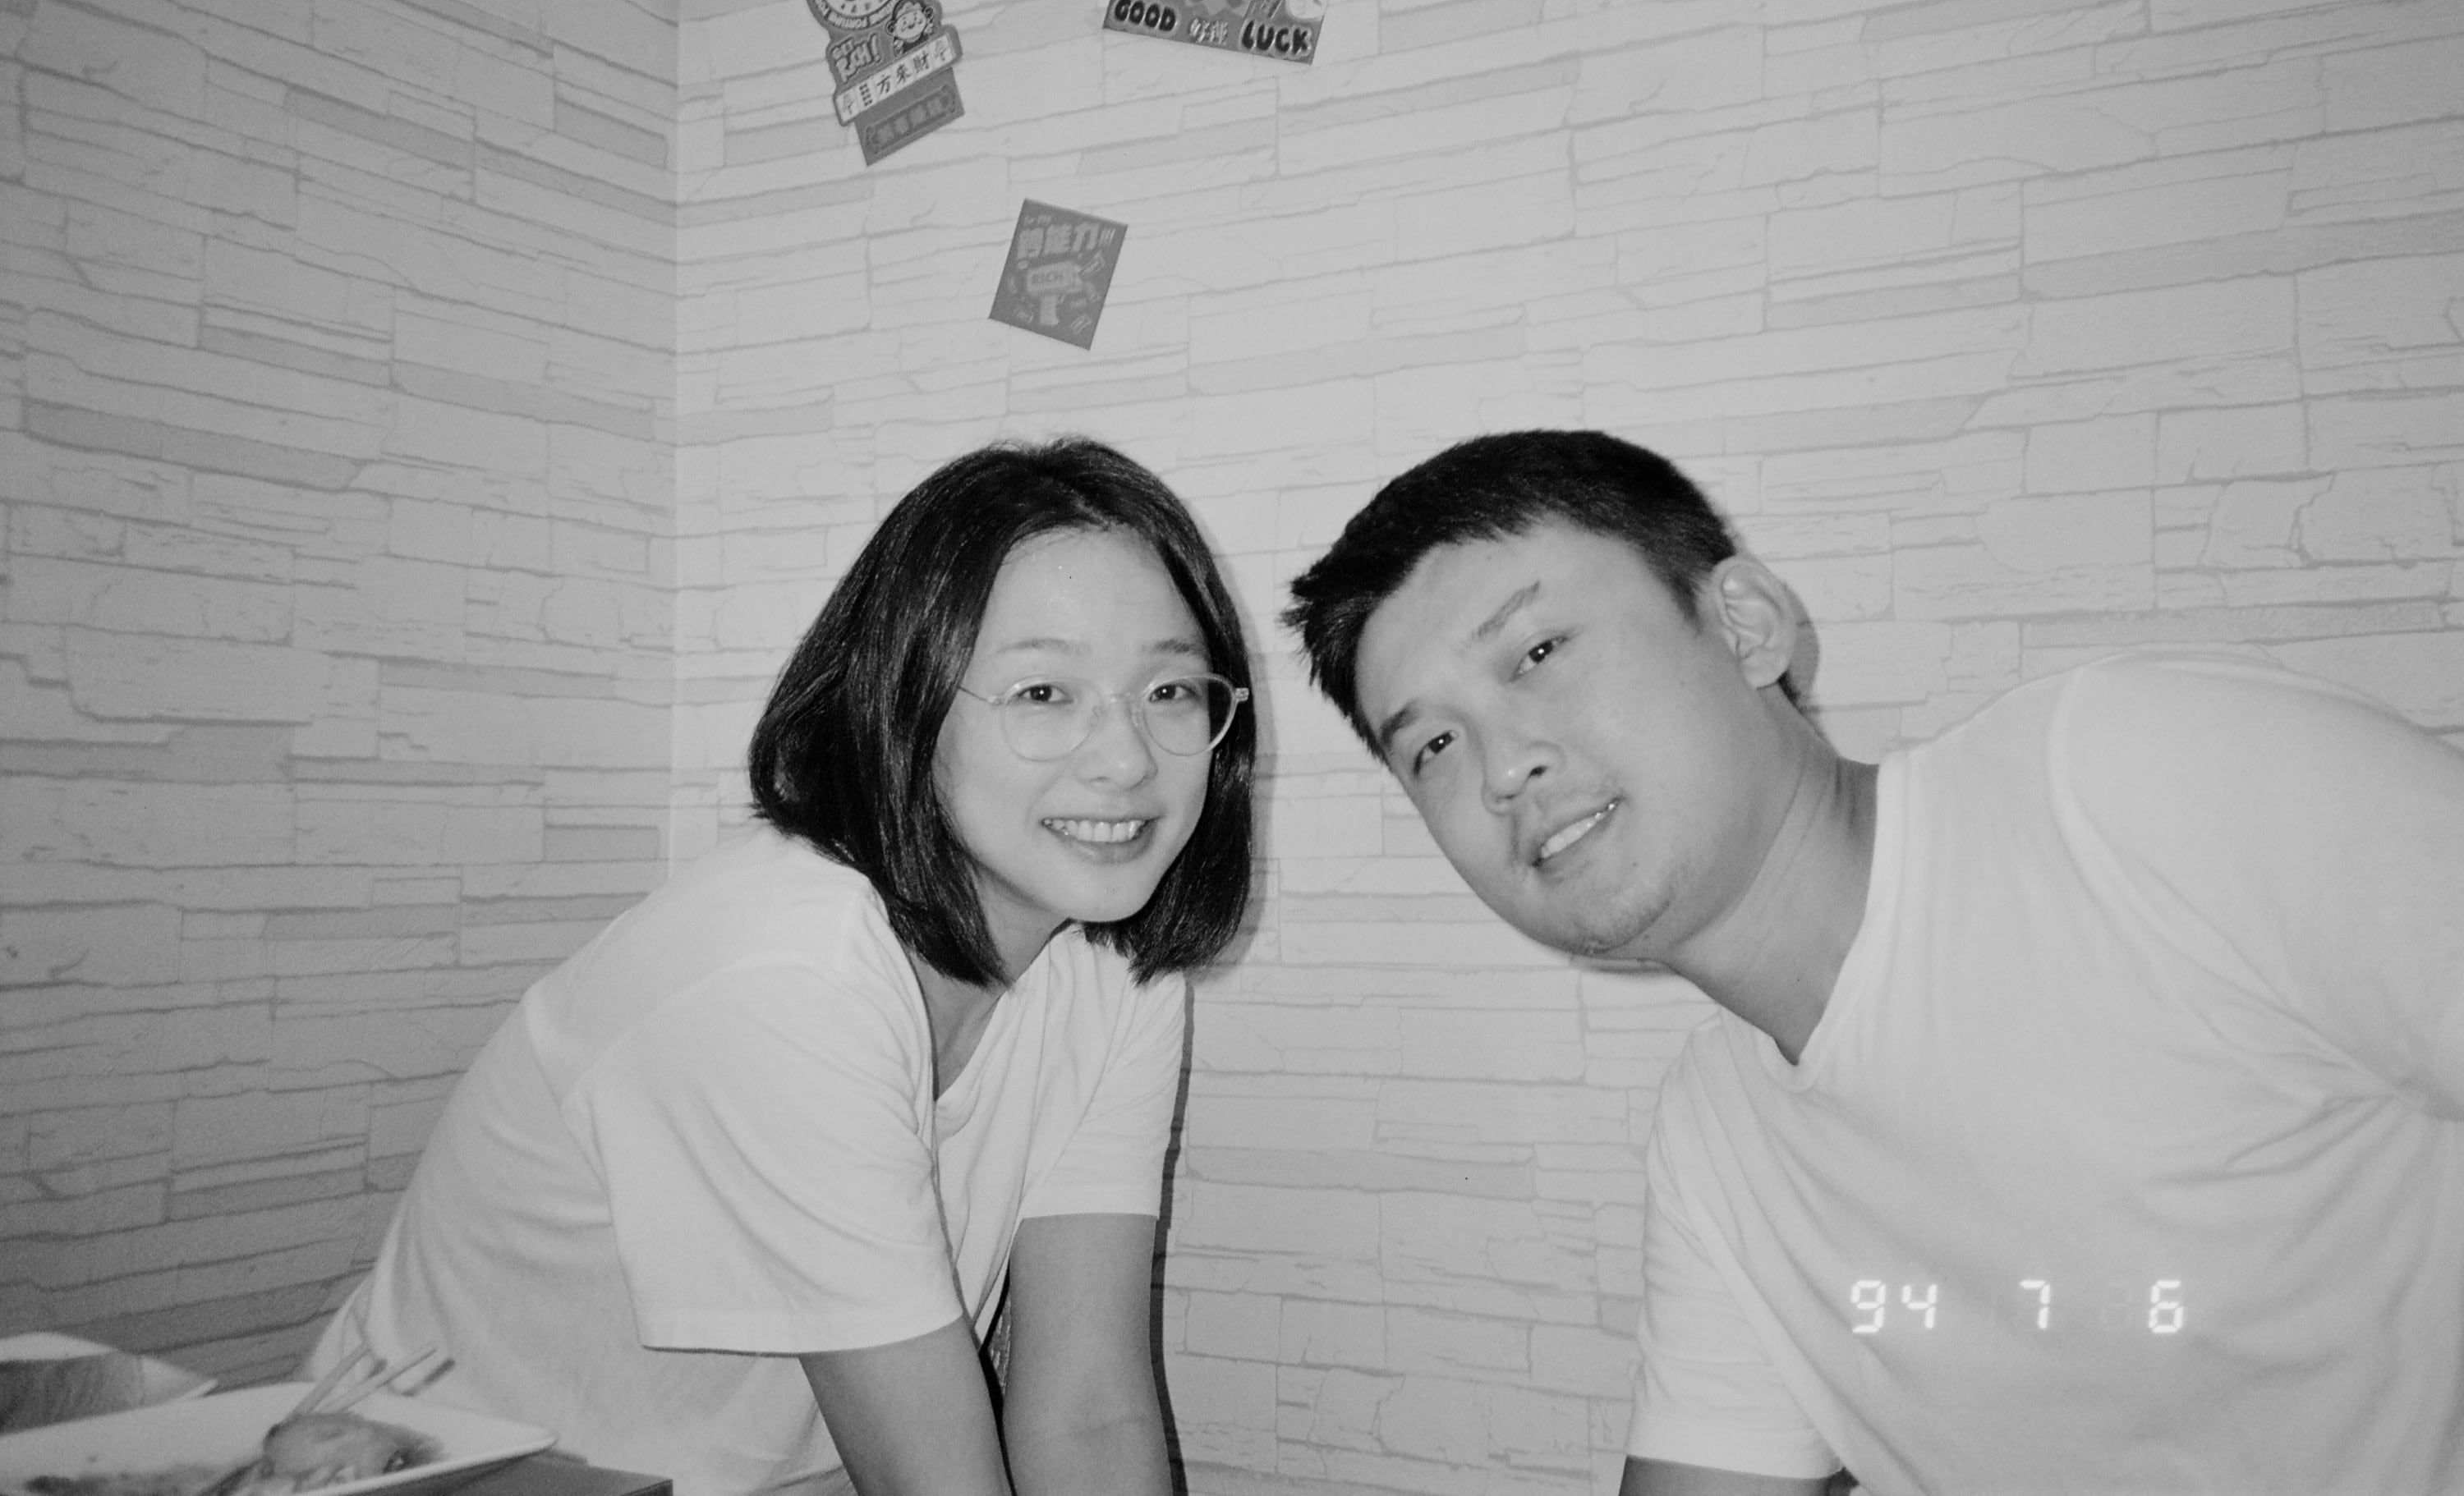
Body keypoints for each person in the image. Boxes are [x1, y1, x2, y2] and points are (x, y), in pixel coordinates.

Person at [1283, 428, 2464, 1495]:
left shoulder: (2134, 779)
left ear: (1746, 624)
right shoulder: (1718, 1139)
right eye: (1433, 745)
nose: (1501, 768)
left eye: (1538, 649)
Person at [311, 438, 1257, 1496]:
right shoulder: (788, 969)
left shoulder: (1115, 963)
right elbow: (932, 1480)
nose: (1127, 757)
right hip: (430, 1478)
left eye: (1170, 688)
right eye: (1044, 691)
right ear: (900, 702)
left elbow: (1088, 1411)